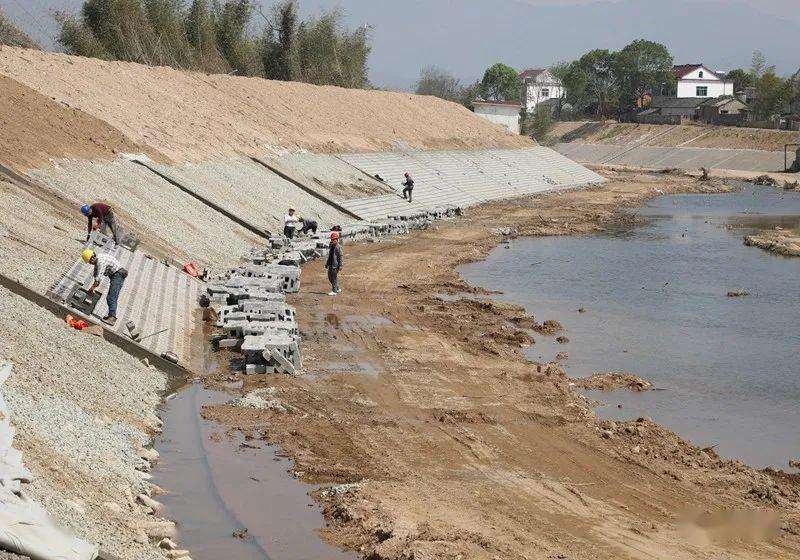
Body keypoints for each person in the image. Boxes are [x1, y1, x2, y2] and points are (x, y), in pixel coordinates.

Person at [82, 249, 127, 326]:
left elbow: (98, 280)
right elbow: (96, 272)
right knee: (112, 297)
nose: (90, 264)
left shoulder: (101, 262)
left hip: (118, 275)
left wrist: (92, 288)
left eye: (90, 262)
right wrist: (93, 286)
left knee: (111, 297)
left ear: (92, 258)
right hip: (116, 274)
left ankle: (112, 318)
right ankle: (110, 316)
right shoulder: (98, 258)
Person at [325, 231, 343, 296]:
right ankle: (337, 288)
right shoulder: (332, 246)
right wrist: (327, 264)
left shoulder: (338, 247)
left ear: (337, 239)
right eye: (332, 239)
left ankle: (334, 291)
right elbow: (330, 256)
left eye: (334, 239)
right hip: (331, 264)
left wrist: (340, 265)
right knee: (330, 277)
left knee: (333, 278)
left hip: (335, 265)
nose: (333, 241)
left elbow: (340, 256)